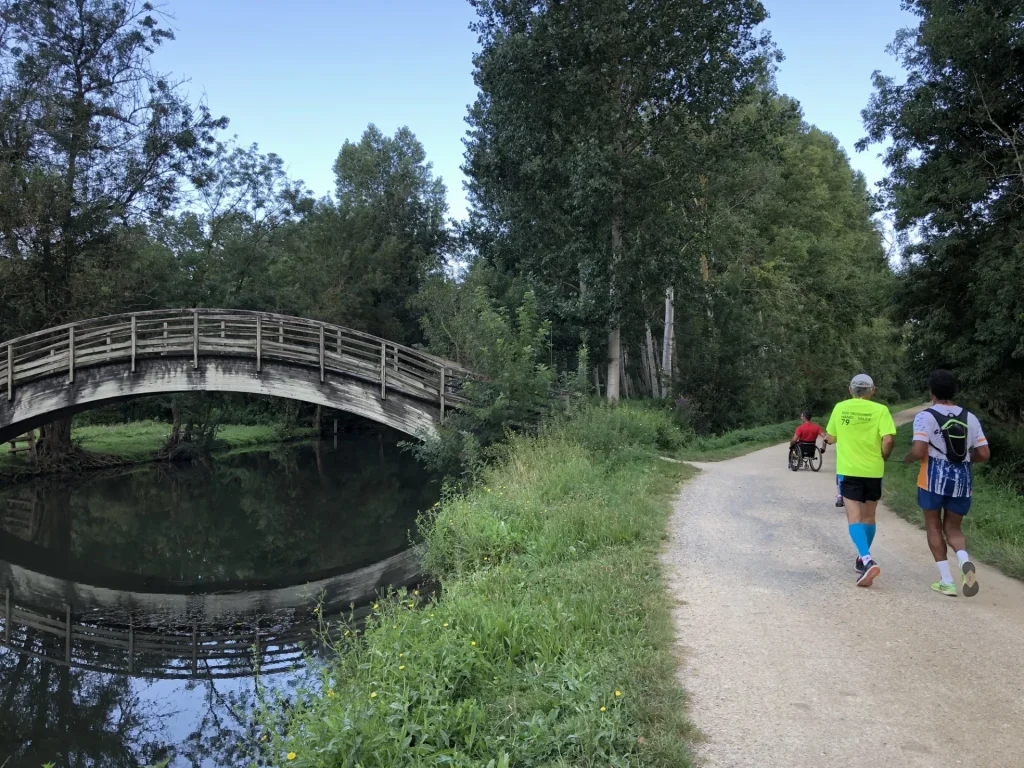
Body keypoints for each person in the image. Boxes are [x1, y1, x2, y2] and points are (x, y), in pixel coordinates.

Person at [904, 370, 990, 597]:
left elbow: (919, 450)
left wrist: (909, 458)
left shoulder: (925, 416)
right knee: (953, 528)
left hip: (932, 479)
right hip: (962, 481)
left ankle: (947, 581)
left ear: (931, 392)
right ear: (954, 391)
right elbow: (984, 453)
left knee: (933, 526)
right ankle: (964, 563)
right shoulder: (970, 418)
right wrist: (965, 460)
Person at [826, 374, 897, 587]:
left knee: (854, 517)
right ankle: (861, 558)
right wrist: (884, 456)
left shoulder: (840, 408)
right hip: (873, 471)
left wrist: (827, 438)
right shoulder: (881, 410)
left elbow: (831, 437)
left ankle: (866, 560)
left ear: (850, 389)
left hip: (849, 470)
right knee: (869, 517)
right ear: (872, 391)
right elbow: (888, 439)